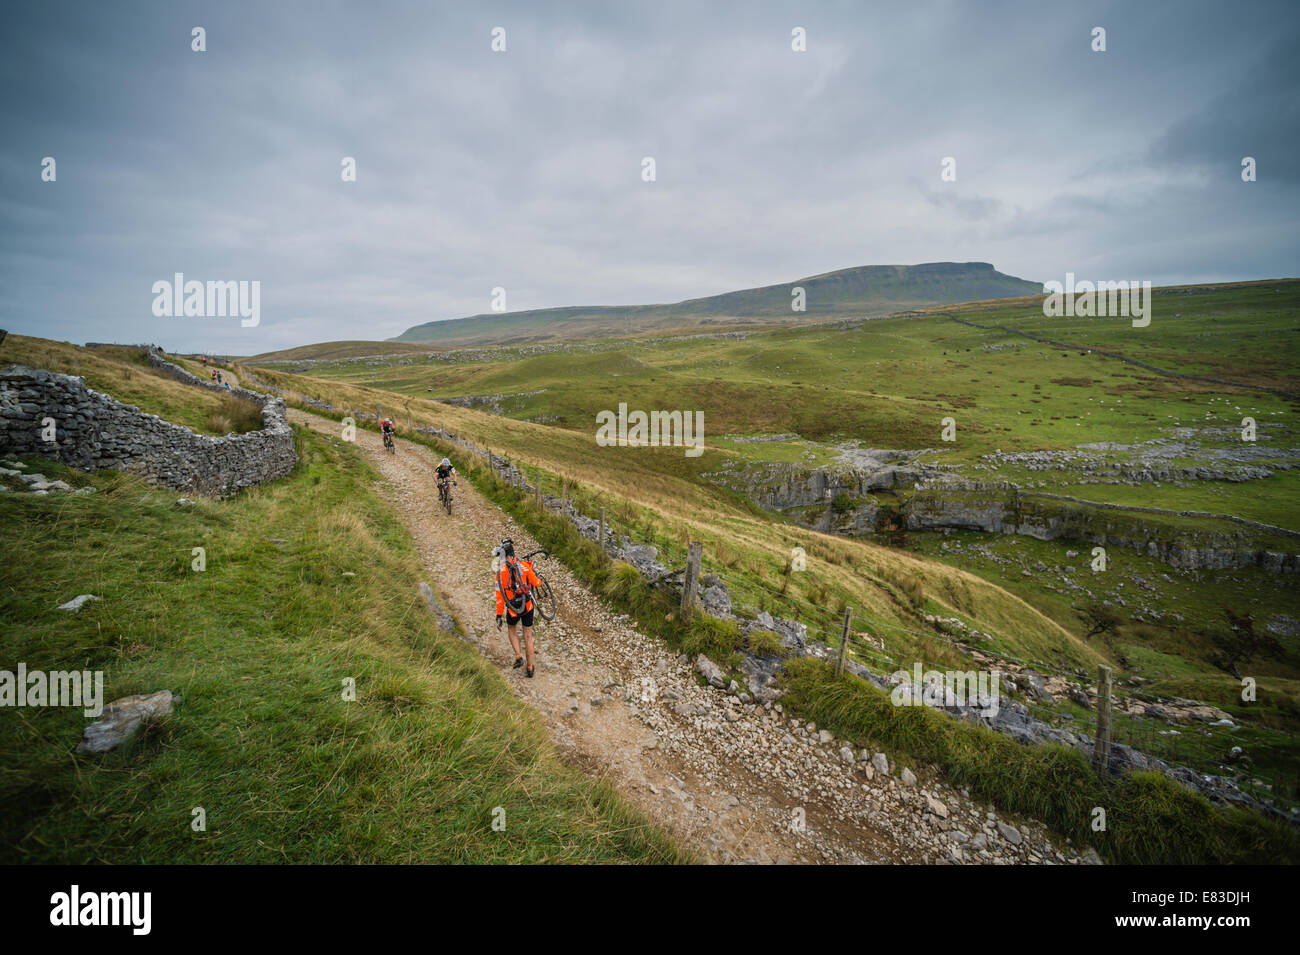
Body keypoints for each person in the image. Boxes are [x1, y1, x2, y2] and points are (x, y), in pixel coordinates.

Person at [494, 538, 539, 677]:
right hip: (527, 607)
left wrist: (499, 615)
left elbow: (499, 596)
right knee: (528, 635)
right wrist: (538, 578)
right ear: (513, 553)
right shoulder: (524, 566)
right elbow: (536, 583)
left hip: (513, 609)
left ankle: (519, 655)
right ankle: (530, 667)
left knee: (511, 630)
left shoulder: (499, 573)